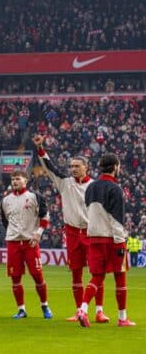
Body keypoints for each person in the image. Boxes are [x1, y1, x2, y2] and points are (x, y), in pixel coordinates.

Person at [33, 135, 109, 323]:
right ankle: (78, 311)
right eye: (72, 166)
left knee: (96, 273)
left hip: (92, 233)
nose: (73, 169)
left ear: (86, 167)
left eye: (77, 166)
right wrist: (40, 148)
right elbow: (49, 168)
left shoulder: (96, 186)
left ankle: (99, 311)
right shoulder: (65, 182)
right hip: (73, 233)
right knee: (76, 272)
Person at [76, 153, 135, 327]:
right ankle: (122, 318)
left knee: (97, 277)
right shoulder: (115, 188)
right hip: (111, 238)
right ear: (115, 166)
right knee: (120, 277)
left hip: (93, 237)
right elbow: (117, 218)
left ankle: (83, 309)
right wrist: (120, 241)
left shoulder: (91, 187)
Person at [0, 170, 53, 319]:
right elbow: (6, 221)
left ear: (26, 181)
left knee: (37, 276)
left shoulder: (34, 197)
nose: (14, 182)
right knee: (15, 278)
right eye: (13, 179)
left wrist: (38, 233)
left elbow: (45, 216)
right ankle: (21, 309)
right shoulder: (6, 201)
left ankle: (45, 306)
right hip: (13, 243)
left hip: (30, 242)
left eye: (17, 179)